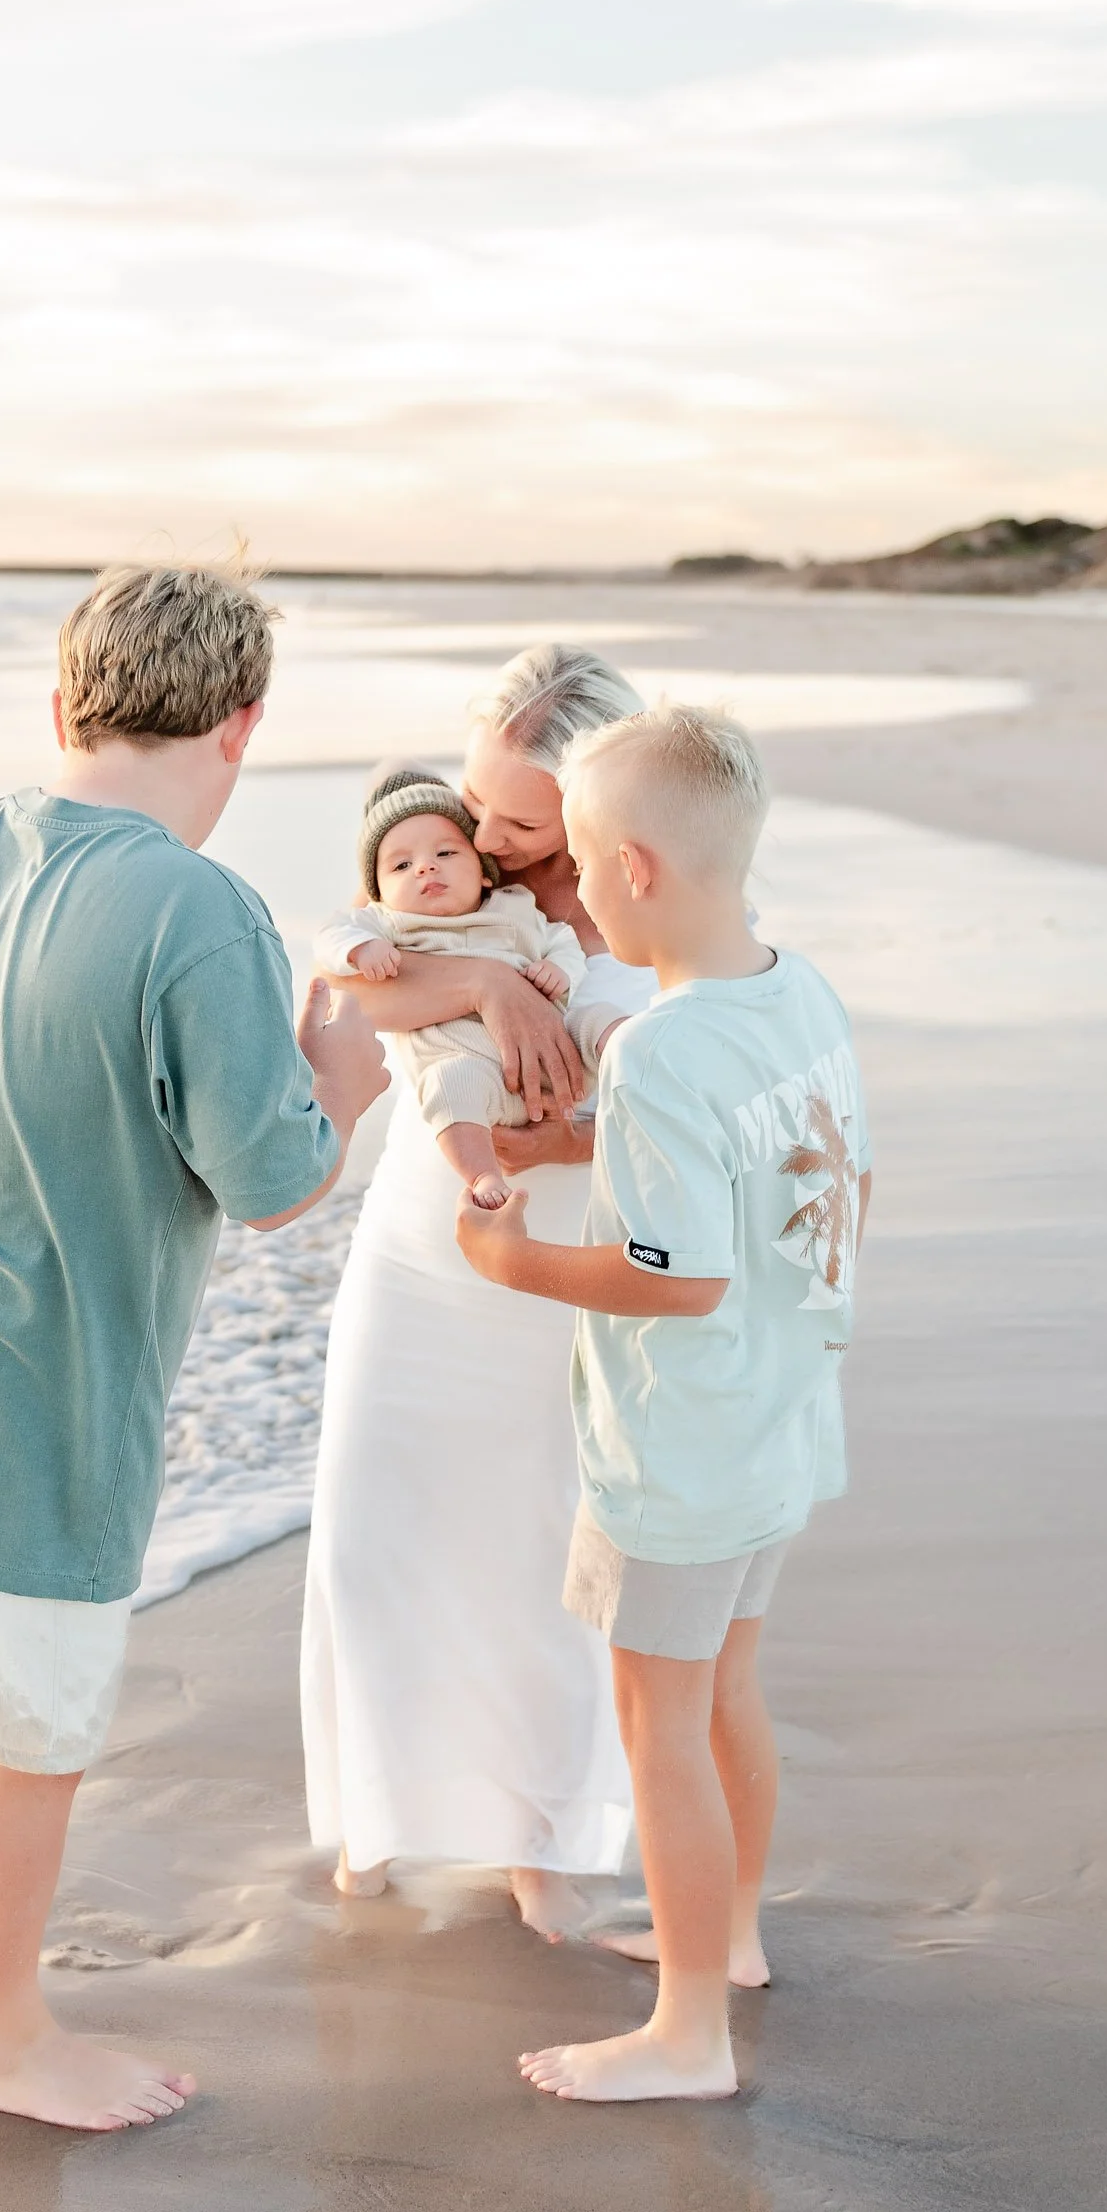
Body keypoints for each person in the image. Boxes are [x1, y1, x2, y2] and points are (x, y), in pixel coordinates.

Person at [0, 561, 388, 2133]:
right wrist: (342, 1068)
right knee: (33, 1721)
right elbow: (273, 1182)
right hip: (35, 1375)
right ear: (241, 726)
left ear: (63, 699)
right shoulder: (203, 910)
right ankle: (4, 2039)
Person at [455, 704, 871, 2101]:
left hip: (681, 1451)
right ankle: (730, 1937)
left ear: (631, 868)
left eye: (571, 858)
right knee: (726, 1691)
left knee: (660, 1729)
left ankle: (687, 2032)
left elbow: (673, 1278)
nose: (564, 886)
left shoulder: (659, 1048)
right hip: (784, 1415)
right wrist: (582, 1136)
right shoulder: (797, 989)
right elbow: (801, 1178)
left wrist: (510, 1256)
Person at [300, 646, 653, 1938]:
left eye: (516, 817)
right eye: (477, 799)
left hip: (561, 1259)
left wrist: (546, 1137)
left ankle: (541, 1837)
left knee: (540, 1551)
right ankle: (374, 1810)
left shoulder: (645, 897)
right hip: (417, 1239)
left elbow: (671, 1090)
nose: (482, 833)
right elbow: (347, 969)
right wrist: (490, 982)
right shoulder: (446, 878)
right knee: (368, 1530)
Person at [311, 768, 622, 1208]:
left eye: (446, 852)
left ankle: (633, 1054)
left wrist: (560, 969)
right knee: (446, 1084)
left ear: (485, 874)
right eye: (401, 866)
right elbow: (329, 936)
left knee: (599, 1019)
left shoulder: (514, 907)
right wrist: (361, 949)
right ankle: (481, 1176)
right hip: (477, 1081)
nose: (425, 866)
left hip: (560, 1065)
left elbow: (561, 941)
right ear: (377, 891)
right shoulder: (389, 922)